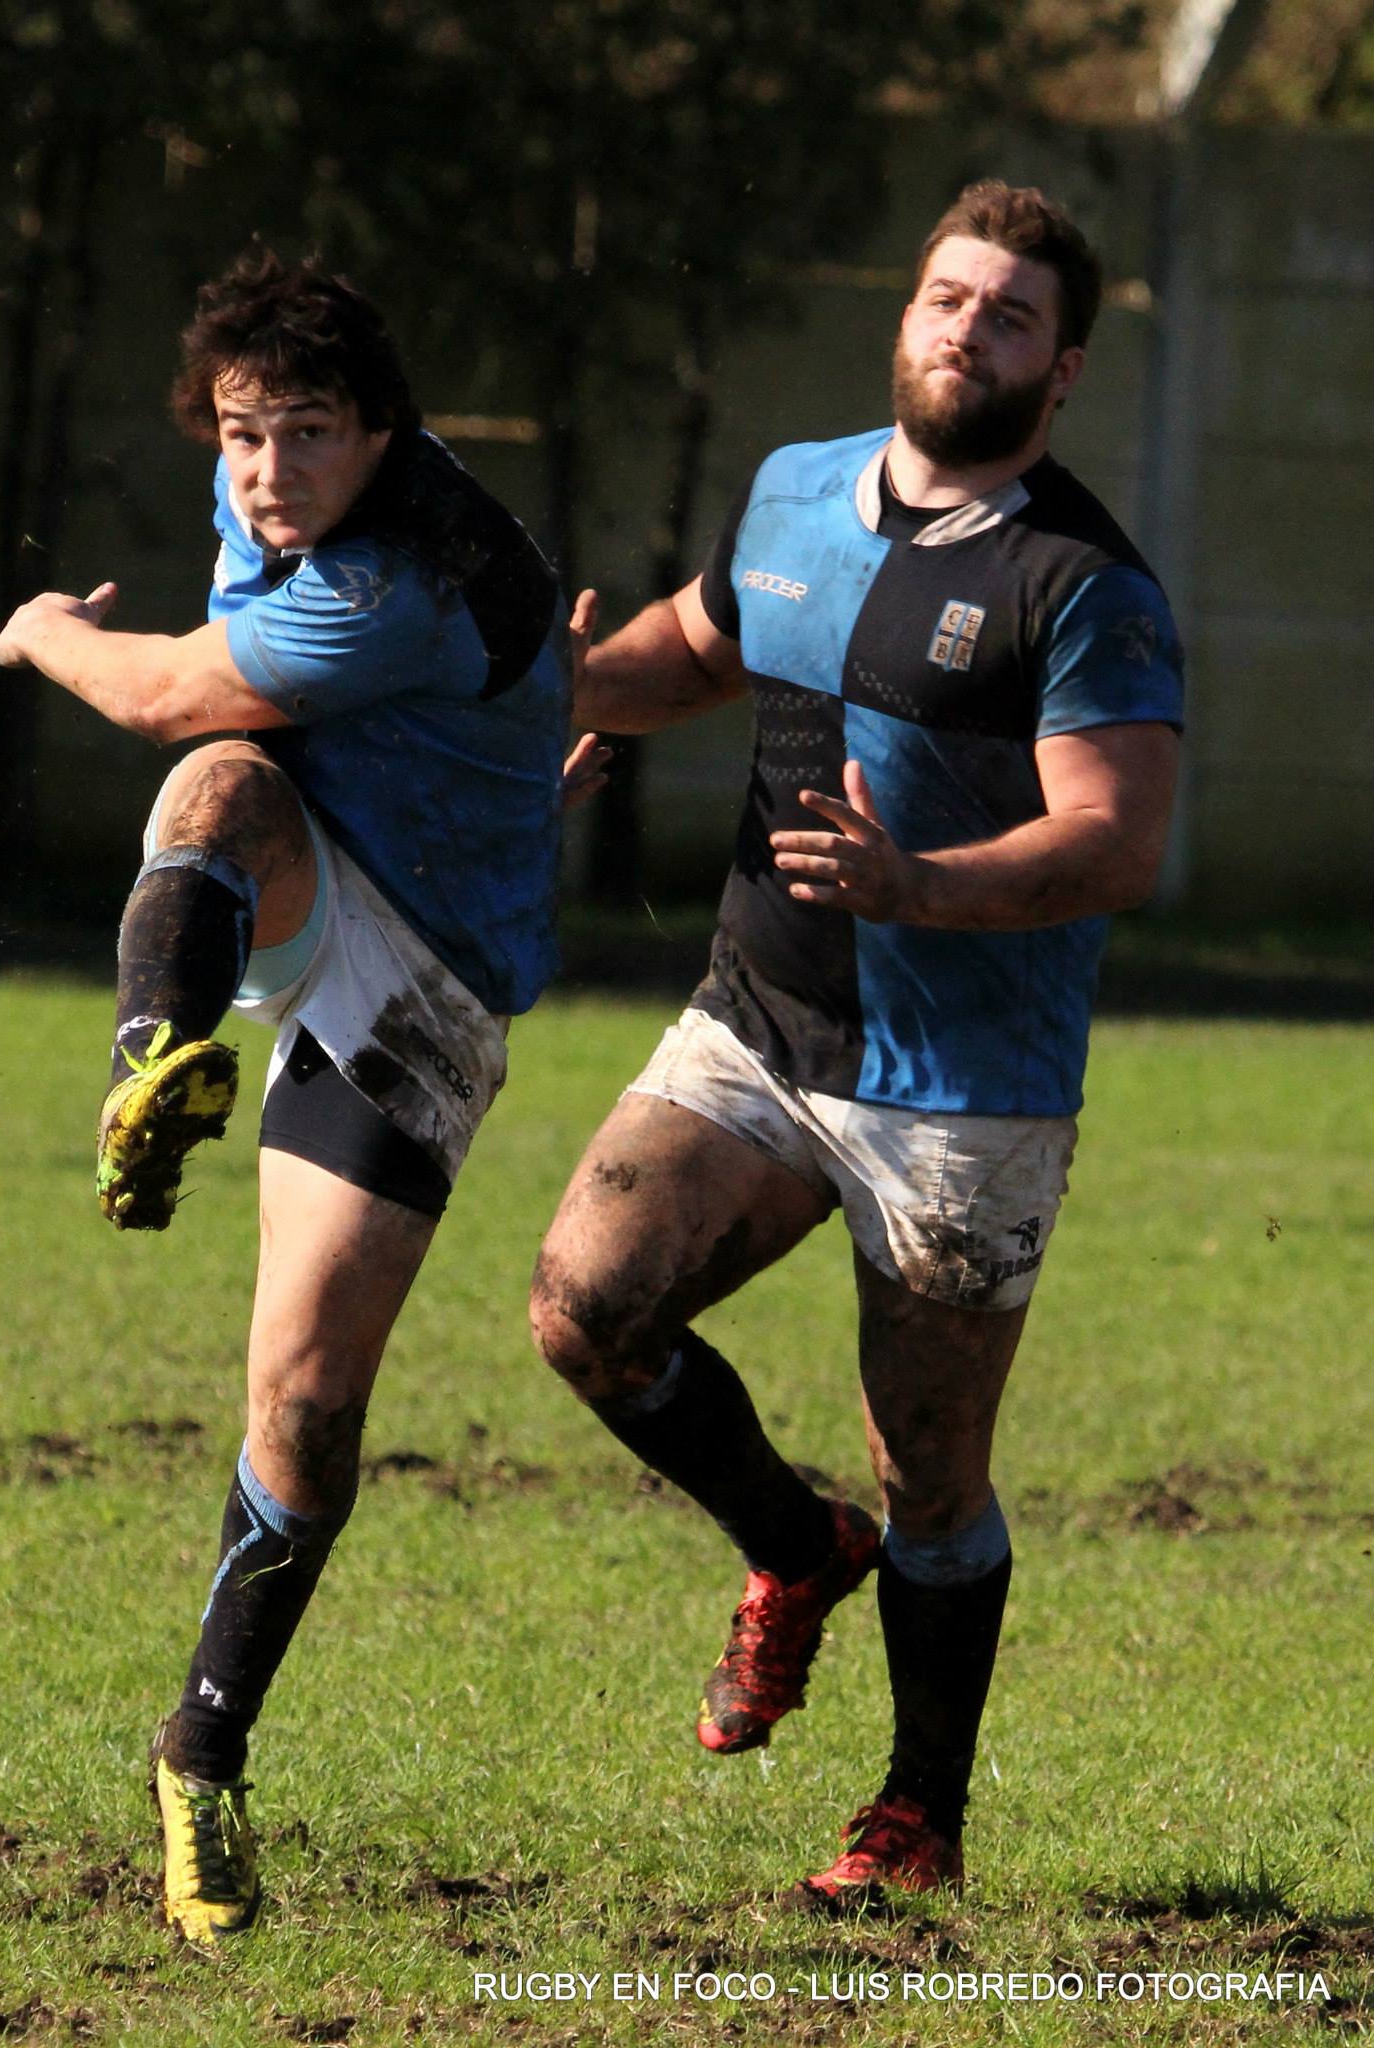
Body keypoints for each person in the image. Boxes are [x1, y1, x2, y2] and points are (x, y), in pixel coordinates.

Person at [529, 181, 1183, 1904]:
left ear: (1064, 369)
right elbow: (702, 646)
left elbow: (1119, 839)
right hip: (761, 1021)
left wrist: (917, 879)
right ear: (906, 312)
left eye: (1011, 314)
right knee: (586, 1307)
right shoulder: (795, 488)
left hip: (964, 1089)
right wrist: (575, 687)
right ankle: (789, 1548)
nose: (968, 327)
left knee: (934, 1469)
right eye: (949, 295)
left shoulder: (1088, 585)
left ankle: (915, 1825)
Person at [0, 250, 598, 1941]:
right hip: (311, 867)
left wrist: (43, 634)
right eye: (243, 435)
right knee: (224, 782)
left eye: (308, 436)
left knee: (308, 1406)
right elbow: (221, 718)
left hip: (434, 979)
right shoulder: (281, 501)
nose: (267, 475)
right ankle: (155, 1070)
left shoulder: (401, 567)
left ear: (383, 432)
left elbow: (177, 676)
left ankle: (200, 1751)